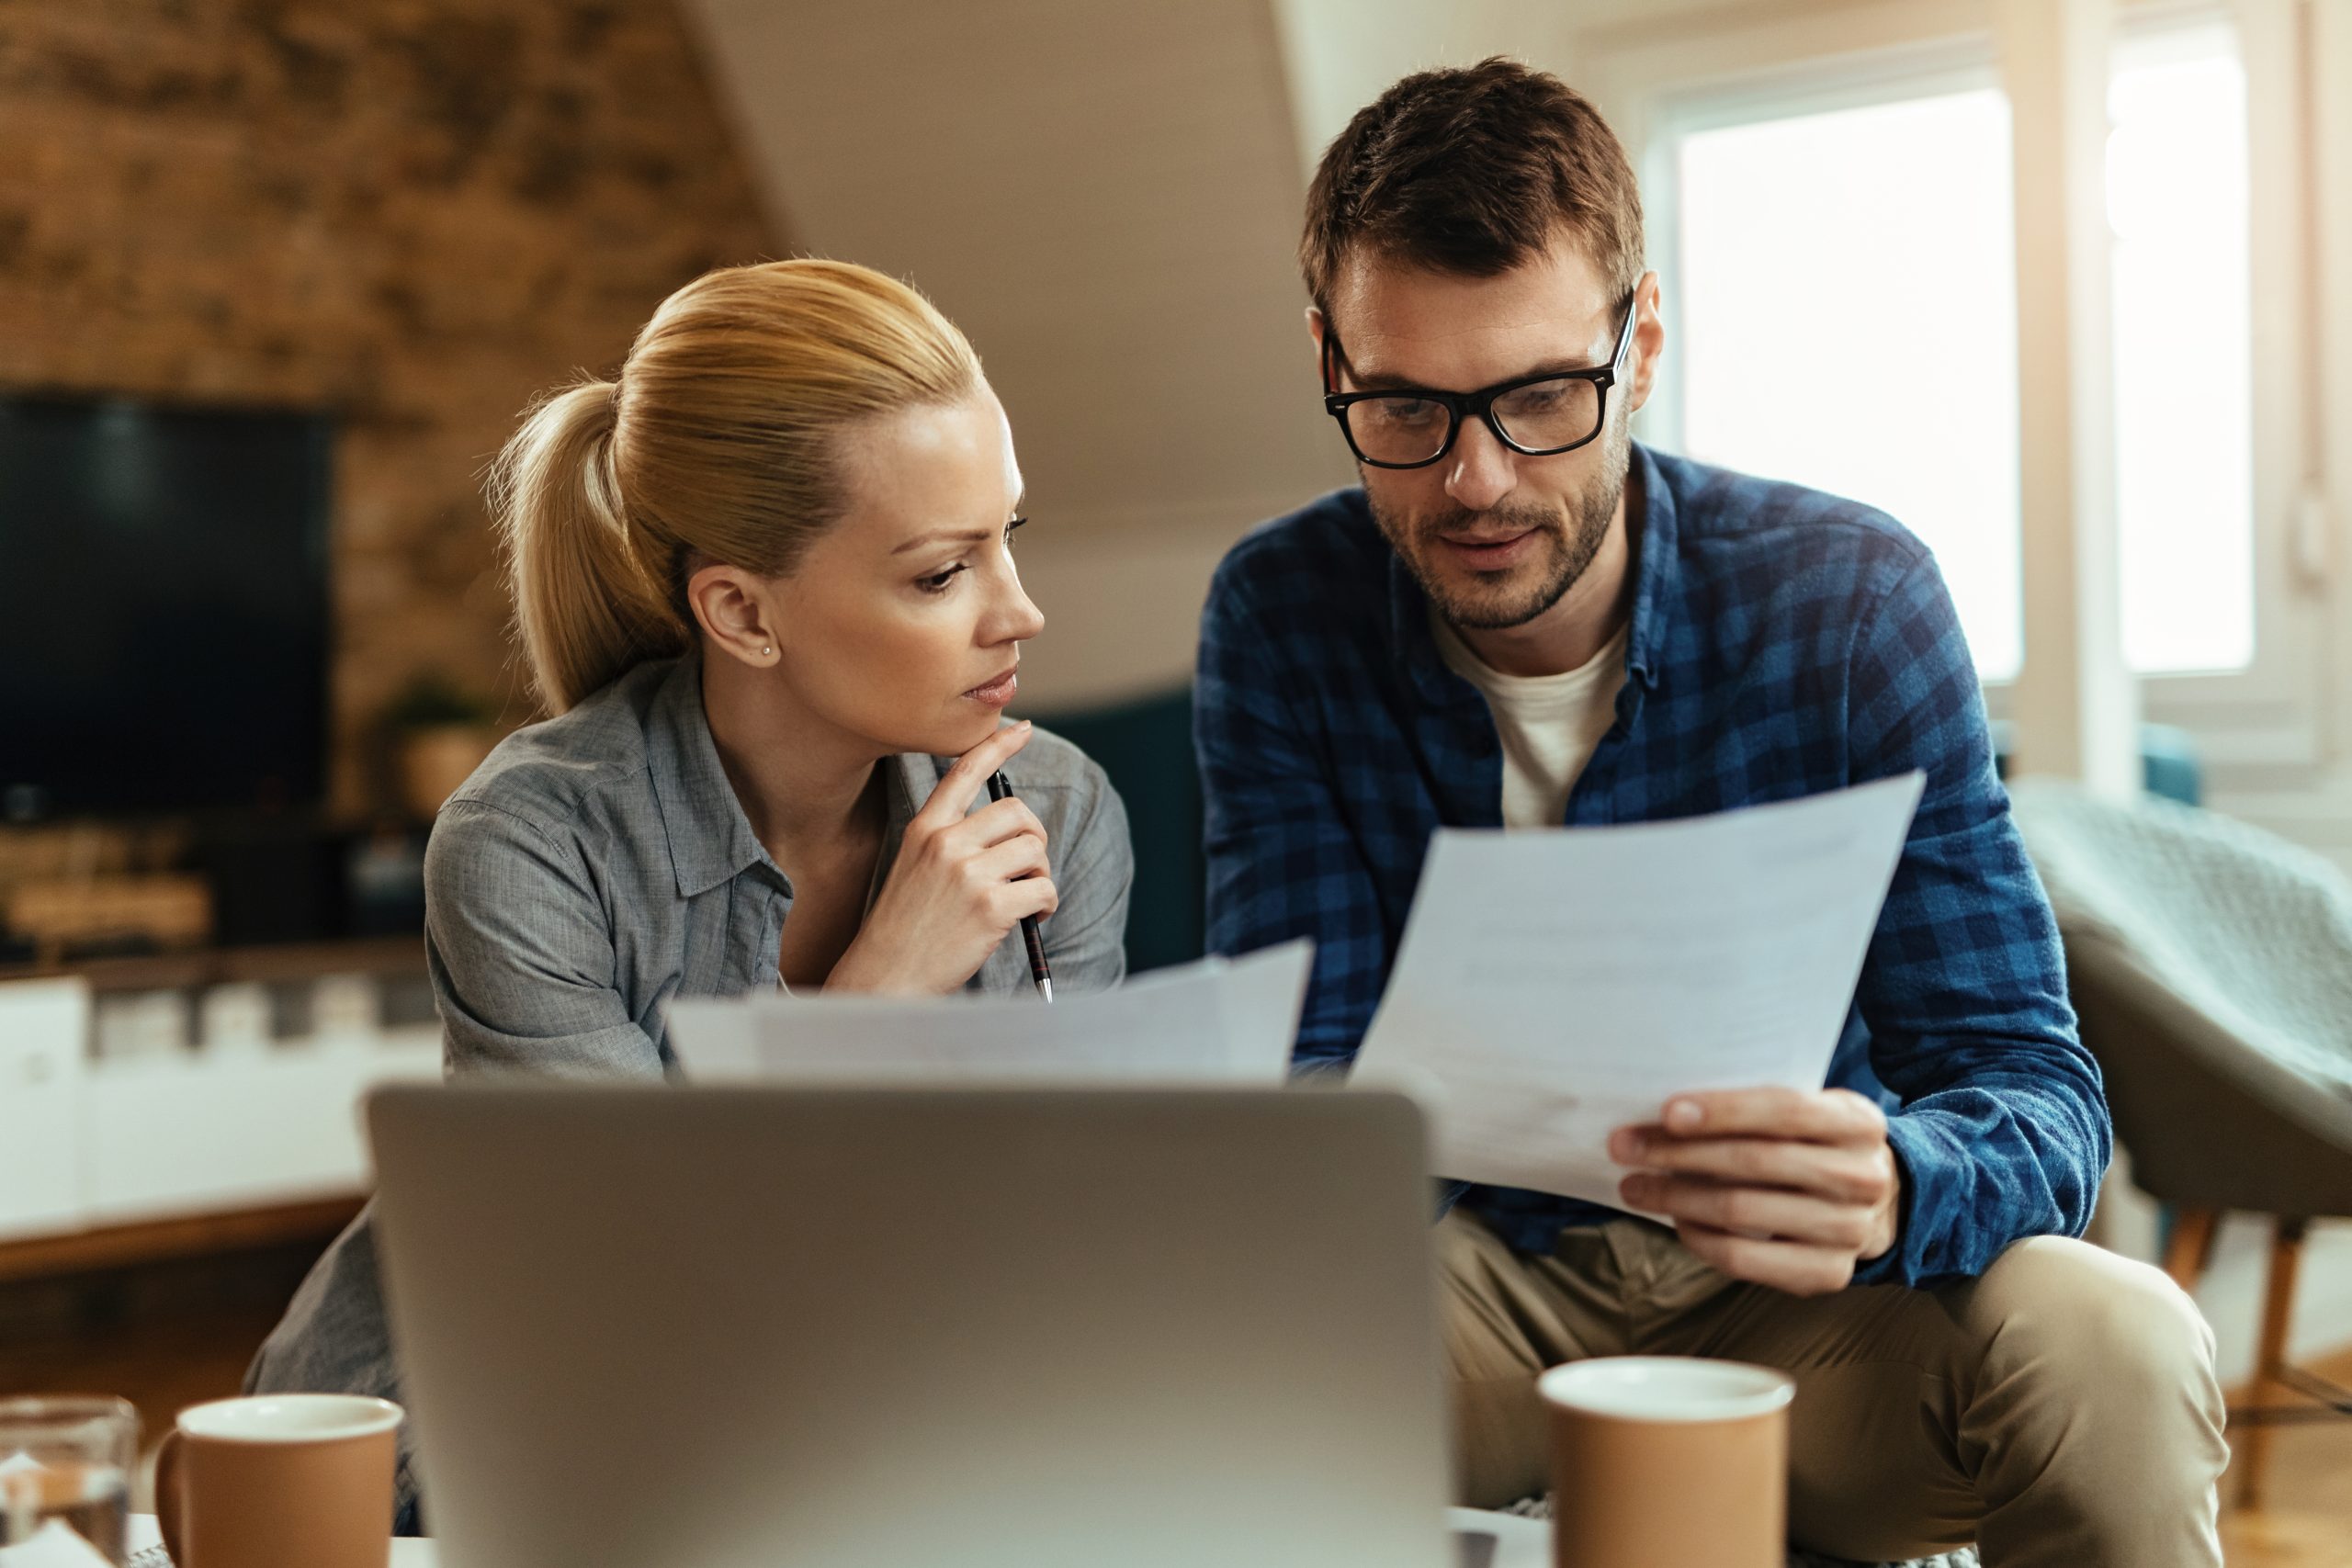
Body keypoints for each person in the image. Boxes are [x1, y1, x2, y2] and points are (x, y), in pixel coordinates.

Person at [1195, 60, 2225, 1568]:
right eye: (1405, 406)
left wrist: (1894, 1182)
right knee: (1172, 1374)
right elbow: (1308, 1087)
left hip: (1806, 1311)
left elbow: (2035, 1090)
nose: (1476, 480)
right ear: (1329, 360)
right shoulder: (1281, 613)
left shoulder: (1853, 599)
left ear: (1643, 342)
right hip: (1465, 1284)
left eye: (1544, 395)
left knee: (2114, 1337)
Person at [250, 260, 1134, 1530]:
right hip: (480, 1441)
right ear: (741, 611)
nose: (1023, 614)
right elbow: (629, 1283)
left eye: (1013, 539)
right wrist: (878, 994)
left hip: (849, 1406)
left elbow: (1065, 1221)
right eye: (944, 574)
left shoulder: (1060, 809)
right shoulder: (527, 843)